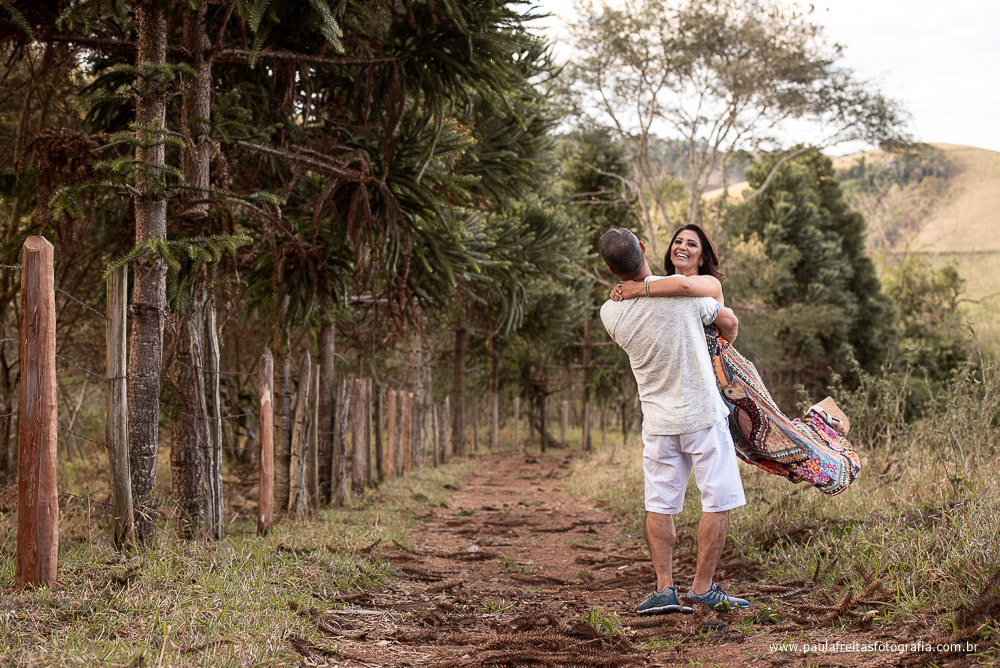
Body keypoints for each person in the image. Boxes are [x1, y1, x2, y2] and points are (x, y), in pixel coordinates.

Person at [610, 224, 861, 496]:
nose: (682, 247)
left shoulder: (706, 283)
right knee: (751, 448)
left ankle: (826, 423)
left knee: (774, 438)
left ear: (703, 258)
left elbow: (728, 325)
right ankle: (818, 422)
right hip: (700, 387)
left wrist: (636, 289)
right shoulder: (660, 286)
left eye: (692, 244)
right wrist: (625, 289)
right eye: (678, 241)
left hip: (730, 376)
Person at [598, 227, 751, 615]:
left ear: (611, 270)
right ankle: (701, 587)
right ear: (646, 249)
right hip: (702, 415)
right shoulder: (688, 297)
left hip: (659, 422)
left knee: (660, 504)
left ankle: (665, 588)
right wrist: (720, 347)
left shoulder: (610, 312)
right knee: (717, 500)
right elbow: (728, 321)